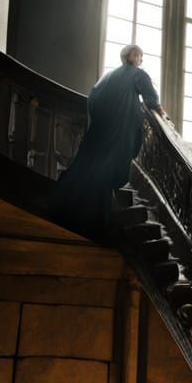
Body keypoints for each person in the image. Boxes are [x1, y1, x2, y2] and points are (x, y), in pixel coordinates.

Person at [49, 44, 166, 242]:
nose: (140, 59)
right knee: (107, 175)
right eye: (138, 55)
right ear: (130, 56)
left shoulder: (108, 76)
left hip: (100, 132)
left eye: (141, 56)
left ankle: (64, 213)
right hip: (119, 132)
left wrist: (101, 122)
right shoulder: (138, 74)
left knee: (87, 168)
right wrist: (162, 113)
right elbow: (151, 98)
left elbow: (93, 99)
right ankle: (94, 226)